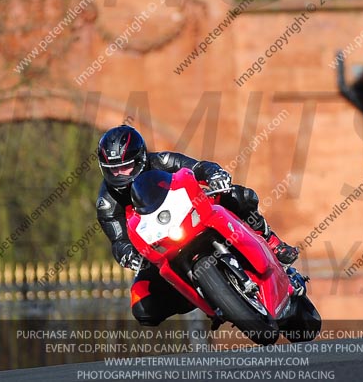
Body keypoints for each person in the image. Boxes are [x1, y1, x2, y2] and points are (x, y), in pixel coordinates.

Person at [95, 124, 299, 326]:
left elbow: (197, 167)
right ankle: (209, 298)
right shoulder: (107, 204)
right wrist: (127, 254)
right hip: (160, 248)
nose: (120, 175)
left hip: (192, 218)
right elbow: (118, 240)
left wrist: (214, 174)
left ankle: (271, 241)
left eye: (125, 167)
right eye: (113, 170)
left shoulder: (161, 161)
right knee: (142, 306)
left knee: (237, 195)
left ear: (140, 159)